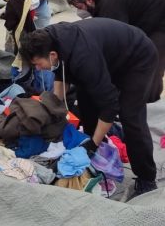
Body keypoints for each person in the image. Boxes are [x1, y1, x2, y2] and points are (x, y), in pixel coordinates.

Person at [19, 18, 159, 197]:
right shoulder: (47, 39)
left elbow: (110, 105)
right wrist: (53, 109)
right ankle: (96, 152)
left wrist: (93, 144)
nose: (38, 69)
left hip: (137, 57)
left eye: (38, 64)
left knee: (130, 115)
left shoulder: (83, 59)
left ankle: (147, 178)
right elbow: (60, 75)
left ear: (52, 55)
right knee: (86, 102)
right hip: (106, 55)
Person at [66, 0, 165, 102]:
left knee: (151, 59)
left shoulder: (110, 3)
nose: (79, 12)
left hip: (160, 22)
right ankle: (141, 99)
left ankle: (144, 101)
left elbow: (117, 42)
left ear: (89, 0)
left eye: (80, 7)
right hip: (146, 20)